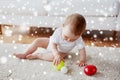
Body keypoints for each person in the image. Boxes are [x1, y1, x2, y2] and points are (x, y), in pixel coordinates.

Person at [14, 13, 86, 67]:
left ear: (80, 35)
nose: (68, 40)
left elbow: (82, 50)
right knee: (37, 41)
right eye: (66, 37)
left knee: (55, 58)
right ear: (63, 26)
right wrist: (56, 53)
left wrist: (82, 60)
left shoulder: (79, 39)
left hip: (62, 52)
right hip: (50, 44)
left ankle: (39, 55)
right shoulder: (58, 31)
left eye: (73, 39)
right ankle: (25, 54)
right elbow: (53, 45)